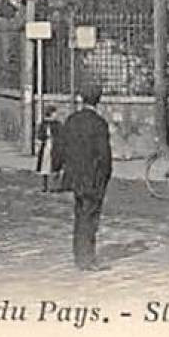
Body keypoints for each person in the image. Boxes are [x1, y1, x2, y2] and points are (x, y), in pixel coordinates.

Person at [56, 80, 113, 271]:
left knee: (79, 214)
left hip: (75, 177)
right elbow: (104, 156)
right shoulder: (99, 124)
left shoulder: (71, 120)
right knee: (90, 217)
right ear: (98, 100)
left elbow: (60, 148)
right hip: (93, 177)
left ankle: (79, 255)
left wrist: (62, 170)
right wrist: (105, 177)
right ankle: (87, 258)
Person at [35, 105, 62, 192]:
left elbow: (61, 136)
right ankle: (45, 185)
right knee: (45, 166)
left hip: (55, 148)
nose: (56, 115)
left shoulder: (58, 125)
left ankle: (53, 186)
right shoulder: (44, 124)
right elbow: (40, 136)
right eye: (54, 113)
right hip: (46, 147)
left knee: (55, 167)